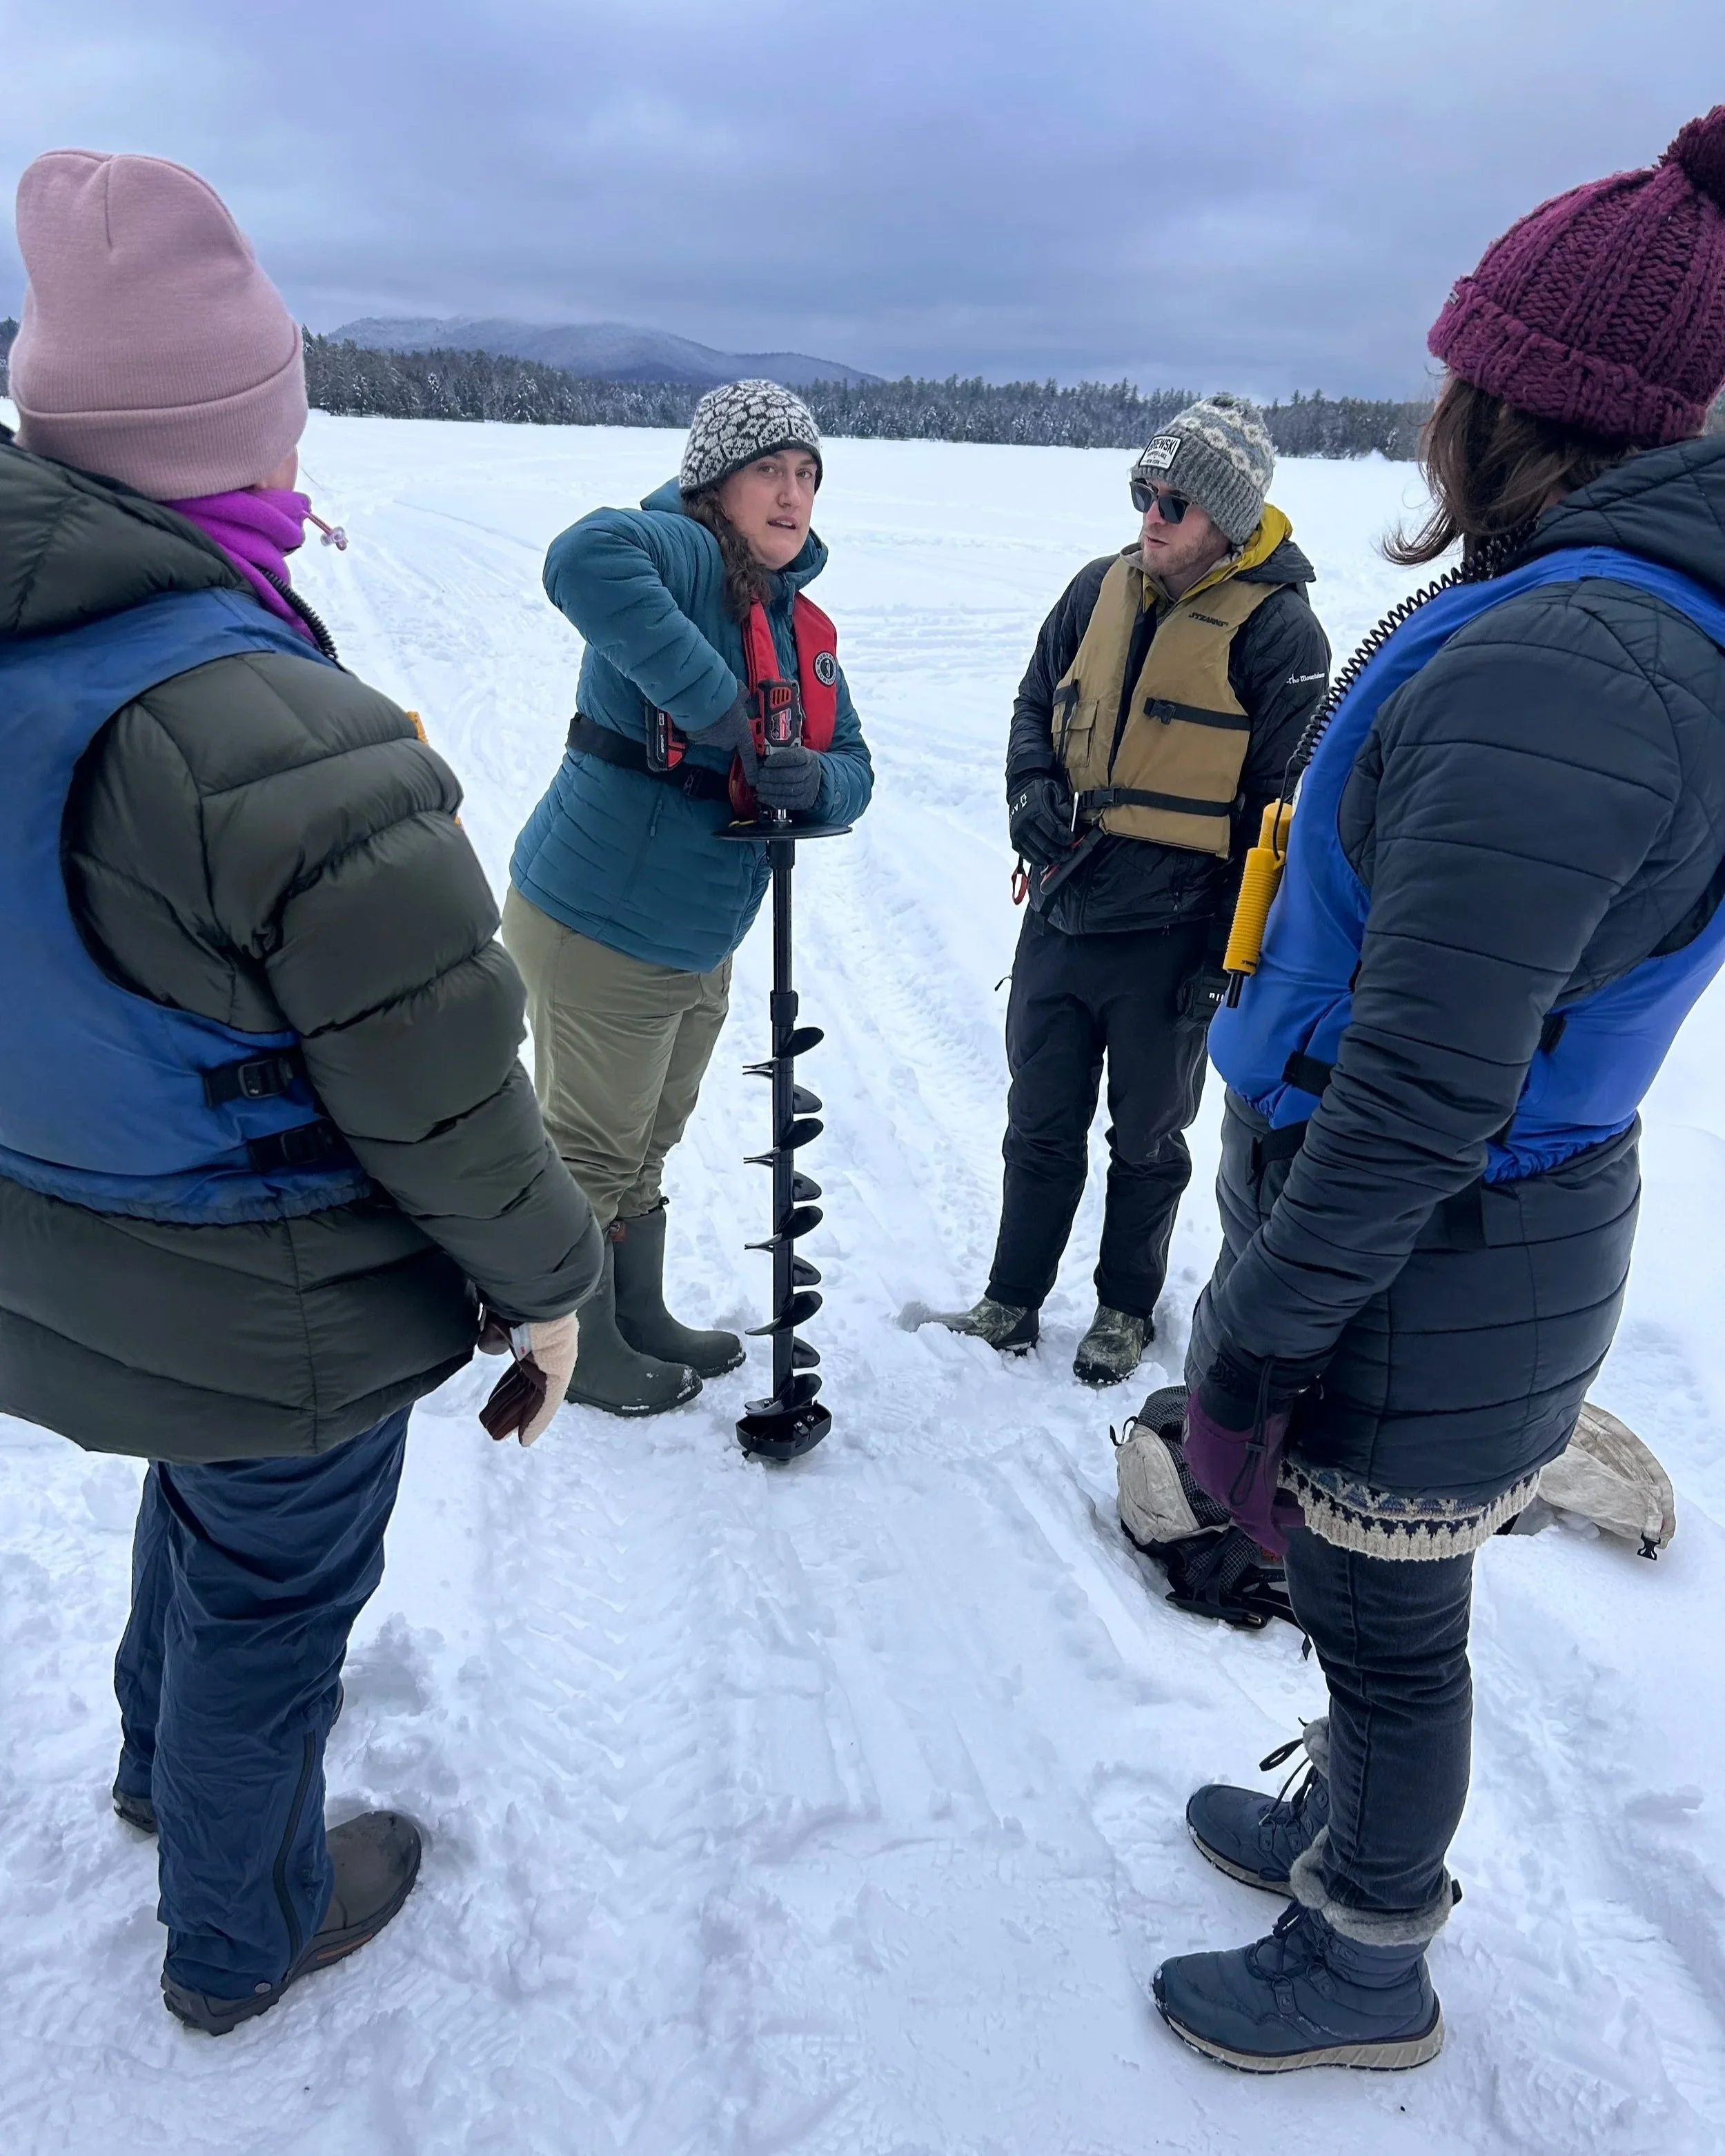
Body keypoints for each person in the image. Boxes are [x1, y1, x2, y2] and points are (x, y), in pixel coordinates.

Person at [0, 151, 601, 2033]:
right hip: (269, 1293)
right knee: (274, 1585)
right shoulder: (291, 748)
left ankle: (158, 1769)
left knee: (205, 1502)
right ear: (242, 431)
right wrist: (553, 1284)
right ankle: (238, 1927)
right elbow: (447, 1104)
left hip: (68, 1233)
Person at [1153, 106, 1725, 2072]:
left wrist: (1254, 1329)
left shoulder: (1572, 668)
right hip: (1452, 1238)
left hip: (1434, 1247)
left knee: (1392, 1626)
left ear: (1514, 404)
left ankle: (1364, 1950)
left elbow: (1419, 1084)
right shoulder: (1595, 619)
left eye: (1456, 372)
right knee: (1359, 1592)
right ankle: (1342, 1827)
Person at [931, 396, 1330, 1384]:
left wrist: (1226, 956)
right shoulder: (1093, 590)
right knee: (1039, 1122)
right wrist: (1029, 787)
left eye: (1175, 502)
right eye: (1144, 493)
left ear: (1226, 519)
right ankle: (1011, 1300)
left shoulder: (1283, 635)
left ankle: (1123, 1309)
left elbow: (1276, 816)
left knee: (1149, 1139)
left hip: (1174, 937)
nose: (1153, 515)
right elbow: (1036, 703)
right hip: (1062, 912)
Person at [505, 381, 874, 1416]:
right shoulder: (679, 550)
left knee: (646, 1143)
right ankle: (569, 1349)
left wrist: (813, 780)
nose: (792, 494)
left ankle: (637, 1313)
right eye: (769, 470)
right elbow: (580, 558)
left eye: (807, 474)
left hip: (699, 935)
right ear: (715, 481)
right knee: (589, 1150)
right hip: (603, 919)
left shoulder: (799, 621)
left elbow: (856, 764)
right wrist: (722, 710)